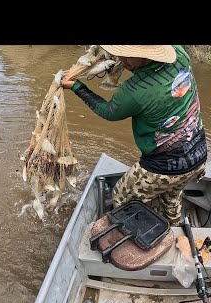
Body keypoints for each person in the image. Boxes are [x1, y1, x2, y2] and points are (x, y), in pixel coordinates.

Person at [61, 45, 208, 226]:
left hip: (164, 166)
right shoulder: (178, 53)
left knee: (121, 196)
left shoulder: (135, 92)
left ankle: (141, 238)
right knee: (171, 198)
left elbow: (108, 111)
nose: (121, 60)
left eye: (128, 56)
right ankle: (174, 229)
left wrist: (77, 87)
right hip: (199, 153)